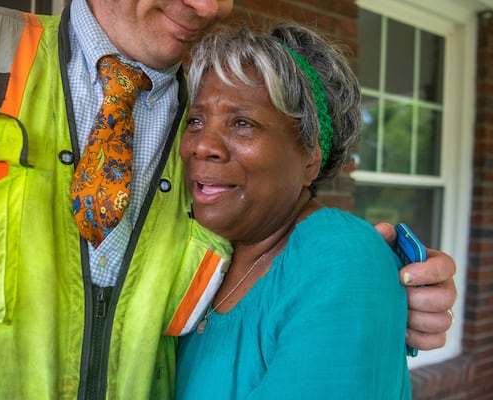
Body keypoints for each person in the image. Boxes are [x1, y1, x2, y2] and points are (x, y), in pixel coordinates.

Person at [0, 0, 454, 399]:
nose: (210, 6)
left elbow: (283, 227)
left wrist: (372, 279)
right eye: (205, 123)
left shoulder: (212, 94)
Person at [176, 23, 411, 398]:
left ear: (310, 158)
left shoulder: (342, 259)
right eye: (196, 120)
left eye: (242, 124)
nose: (203, 145)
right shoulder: (205, 249)